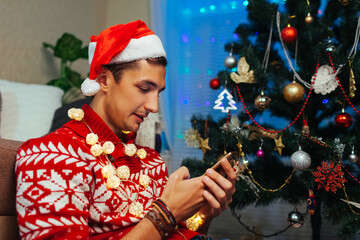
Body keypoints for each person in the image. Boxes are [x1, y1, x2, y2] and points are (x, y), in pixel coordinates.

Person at [15, 20, 236, 240]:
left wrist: (204, 215)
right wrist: (166, 213)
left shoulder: (152, 161)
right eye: (144, 88)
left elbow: (181, 234)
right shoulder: (50, 156)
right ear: (104, 80)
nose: (154, 106)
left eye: (158, 92)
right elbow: (164, 222)